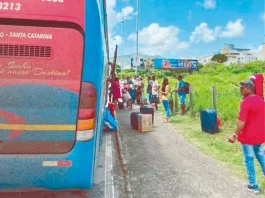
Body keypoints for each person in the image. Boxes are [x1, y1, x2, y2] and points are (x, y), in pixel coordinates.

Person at [228, 80, 265, 195]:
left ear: (249, 89)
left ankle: (253, 186)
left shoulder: (245, 102)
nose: (240, 90)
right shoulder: (261, 100)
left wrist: (235, 135)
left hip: (248, 137)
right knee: (261, 156)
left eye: (242, 88)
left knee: (249, 160)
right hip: (259, 135)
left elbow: (241, 122)